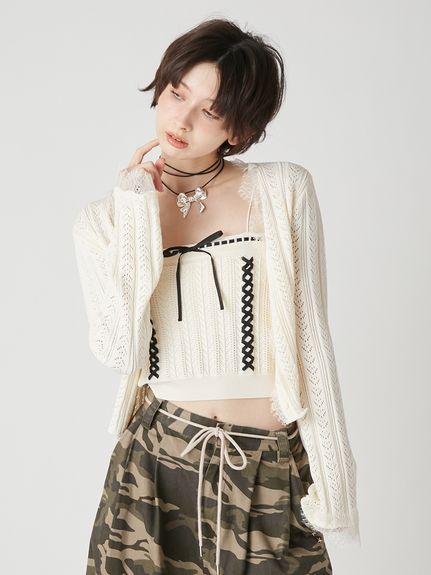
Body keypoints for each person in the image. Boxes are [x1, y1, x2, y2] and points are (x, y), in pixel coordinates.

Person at [73, 16, 360, 575]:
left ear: (240, 127)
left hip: (265, 461)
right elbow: (115, 348)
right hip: (155, 465)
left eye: (210, 110)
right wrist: (135, 209)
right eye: (177, 93)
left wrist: (333, 482)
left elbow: (311, 338)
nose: (181, 120)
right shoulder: (105, 220)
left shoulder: (282, 189)